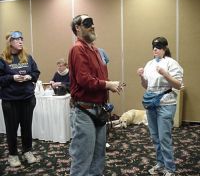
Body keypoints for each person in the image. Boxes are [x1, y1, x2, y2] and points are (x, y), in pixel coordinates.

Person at [68, 14, 124, 176]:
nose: (92, 26)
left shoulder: (94, 50)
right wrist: (107, 84)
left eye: (92, 22)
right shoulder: (77, 49)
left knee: (99, 156)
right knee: (82, 158)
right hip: (85, 110)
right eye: (87, 23)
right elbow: (84, 80)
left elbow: (97, 78)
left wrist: (109, 85)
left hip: (98, 110)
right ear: (77, 28)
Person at [137, 37, 183, 176]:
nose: (155, 49)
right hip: (152, 104)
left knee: (164, 137)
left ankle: (170, 168)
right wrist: (141, 77)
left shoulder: (171, 63)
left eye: (159, 47)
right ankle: (160, 163)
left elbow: (178, 85)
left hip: (166, 104)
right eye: (154, 47)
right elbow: (146, 86)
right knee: (155, 136)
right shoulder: (149, 64)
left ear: (165, 48)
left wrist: (165, 74)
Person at [0, 31, 40, 167]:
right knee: (11, 129)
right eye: (17, 39)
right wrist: (12, 78)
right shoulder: (3, 59)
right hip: (10, 101)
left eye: (22, 39)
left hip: (27, 99)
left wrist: (30, 77)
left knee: (26, 127)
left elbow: (36, 72)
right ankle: (13, 155)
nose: (21, 41)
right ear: (10, 42)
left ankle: (27, 151)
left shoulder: (28, 57)